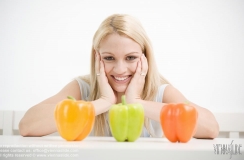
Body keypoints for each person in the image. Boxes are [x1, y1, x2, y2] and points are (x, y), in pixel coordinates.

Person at [19, 14, 219, 138]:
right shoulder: (83, 88)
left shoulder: (160, 92)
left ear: (145, 57)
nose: (120, 69)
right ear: (97, 58)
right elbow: (27, 126)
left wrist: (137, 102)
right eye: (109, 58)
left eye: (130, 57)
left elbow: (211, 128)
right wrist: (103, 101)